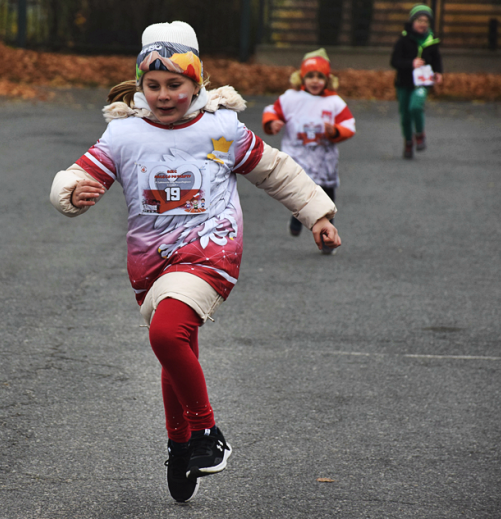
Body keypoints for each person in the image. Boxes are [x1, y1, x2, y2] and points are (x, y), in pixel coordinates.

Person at [49, 21, 341, 503]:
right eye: (154, 85)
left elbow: (275, 170)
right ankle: (180, 443)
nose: (165, 95)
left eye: (176, 84)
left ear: (197, 81)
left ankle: (207, 434)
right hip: (150, 262)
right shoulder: (123, 134)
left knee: (166, 334)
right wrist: (71, 193)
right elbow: (78, 174)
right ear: (140, 86)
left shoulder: (220, 129)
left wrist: (316, 214)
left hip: (212, 249)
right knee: (174, 344)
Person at [261, 48, 356, 254]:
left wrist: (336, 131)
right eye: (310, 76)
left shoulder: (334, 103)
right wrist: (273, 123)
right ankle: (296, 220)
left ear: (328, 80)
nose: (314, 81)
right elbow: (272, 111)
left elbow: (349, 125)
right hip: (298, 158)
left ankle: (327, 238)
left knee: (326, 200)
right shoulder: (291, 98)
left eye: (319, 77)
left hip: (323, 161)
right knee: (298, 192)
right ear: (301, 77)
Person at [390, 3, 443, 159]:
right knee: (405, 115)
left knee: (415, 106)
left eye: (426, 21)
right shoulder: (403, 40)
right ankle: (408, 142)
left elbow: (437, 60)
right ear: (413, 22)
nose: (422, 24)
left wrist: (439, 72)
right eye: (419, 20)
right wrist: (410, 64)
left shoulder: (431, 41)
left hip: (422, 82)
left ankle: (419, 134)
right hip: (404, 82)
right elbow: (394, 61)